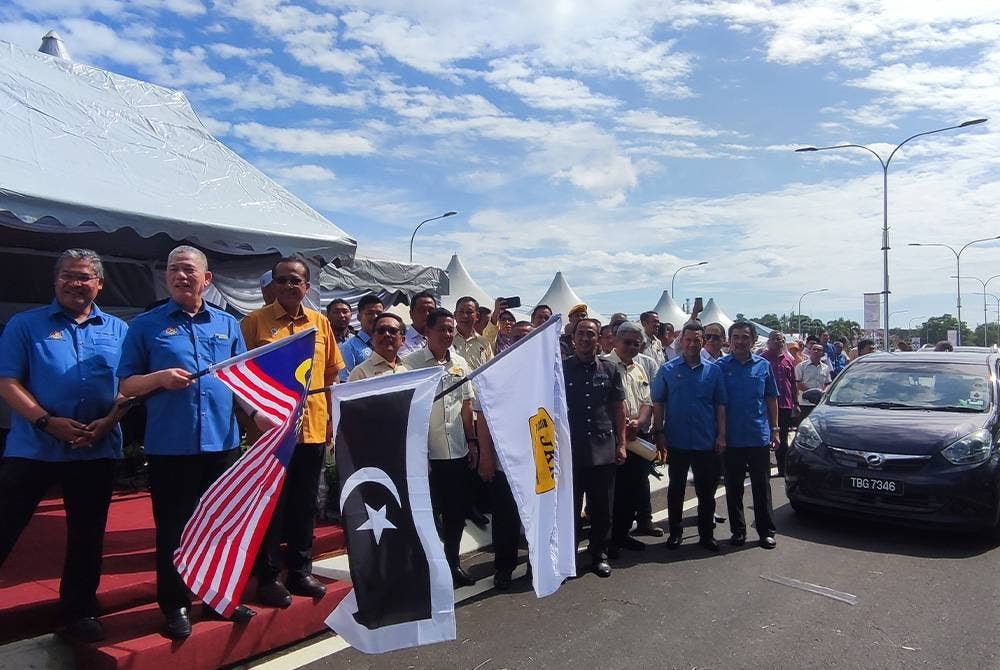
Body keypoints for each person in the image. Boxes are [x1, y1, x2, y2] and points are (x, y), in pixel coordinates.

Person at [119, 245, 268, 638]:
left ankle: (220, 597)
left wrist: (256, 414)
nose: (180, 276)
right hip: (171, 445)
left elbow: (239, 382)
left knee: (220, 525)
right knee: (174, 528)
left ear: (207, 279)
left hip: (222, 443)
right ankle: (175, 604)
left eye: (188, 270)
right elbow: (127, 384)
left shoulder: (226, 324)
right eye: (173, 270)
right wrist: (159, 379)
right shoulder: (145, 326)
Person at [0, 249, 129, 643]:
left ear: (99, 284)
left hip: (95, 449)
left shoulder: (119, 330)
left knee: (87, 537)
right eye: (68, 276)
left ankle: (78, 613)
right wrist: (45, 420)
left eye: (85, 277)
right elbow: (6, 381)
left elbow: (130, 386)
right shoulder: (25, 325)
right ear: (55, 280)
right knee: (4, 525)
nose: (76, 283)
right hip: (33, 447)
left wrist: (109, 422)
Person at [240, 257, 344, 609]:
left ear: (307, 286)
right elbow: (241, 380)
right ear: (272, 285)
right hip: (271, 434)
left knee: (303, 505)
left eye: (295, 281)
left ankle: (300, 570)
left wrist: (329, 420)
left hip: (311, 429)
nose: (288, 286)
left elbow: (331, 375)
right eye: (281, 280)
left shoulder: (320, 324)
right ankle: (268, 577)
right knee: (271, 506)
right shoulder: (253, 323)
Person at [402, 308, 477, 587]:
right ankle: (425, 568)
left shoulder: (460, 363)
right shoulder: (409, 364)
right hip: (424, 453)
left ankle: (452, 562)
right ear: (427, 332)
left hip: (456, 450)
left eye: (451, 330)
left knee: (455, 511)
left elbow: (467, 405)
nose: (447, 334)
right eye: (442, 329)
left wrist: (472, 442)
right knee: (425, 513)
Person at [652, 321, 727, 552]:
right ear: (681, 341)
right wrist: (659, 431)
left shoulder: (714, 371)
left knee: (706, 491)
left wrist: (722, 435)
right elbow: (658, 402)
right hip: (677, 440)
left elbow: (720, 405)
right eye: (688, 339)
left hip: (706, 440)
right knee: (676, 488)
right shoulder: (667, 369)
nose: (692, 344)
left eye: (697, 340)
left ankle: (706, 534)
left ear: (702, 341)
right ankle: (675, 532)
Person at [563, 318, 626, 577]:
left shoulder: (610, 369)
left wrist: (621, 443)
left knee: (602, 508)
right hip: (571, 450)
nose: (586, 339)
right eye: (581, 334)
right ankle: (569, 557)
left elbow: (618, 409)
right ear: (573, 338)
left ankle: (598, 553)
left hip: (603, 448)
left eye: (591, 334)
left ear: (599, 338)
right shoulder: (561, 369)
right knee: (570, 509)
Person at [716, 322, 779, 549]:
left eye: (744, 337)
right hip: (731, 438)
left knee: (762, 487)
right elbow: (718, 404)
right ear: (729, 340)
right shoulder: (720, 367)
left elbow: (771, 398)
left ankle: (766, 532)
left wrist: (775, 429)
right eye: (736, 337)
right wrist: (720, 435)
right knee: (733, 488)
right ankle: (738, 531)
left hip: (758, 436)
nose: (740, 341)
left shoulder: (763, 366)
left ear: (752, 341)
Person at [603, 322, 655, 559]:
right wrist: (623, 428)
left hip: (638, 435)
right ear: (615, 340)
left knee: (632, 491)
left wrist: (640, 422)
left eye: (637, 343)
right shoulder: (604, 365)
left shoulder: (639, 368)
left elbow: (647, 401)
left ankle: (623, 534)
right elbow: (604, 404)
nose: (632, 347)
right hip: (613, 437)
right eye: (627, 342)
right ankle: (606, 540)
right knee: (611, 494)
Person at [759, 330, 798, 477]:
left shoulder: (788, 360)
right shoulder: (762, 360)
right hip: (767, 405)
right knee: (766, 437)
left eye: (781, 339)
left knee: (782, 438)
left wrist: (795, 403)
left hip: (785, 404)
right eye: (775, 339)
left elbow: (793, 383)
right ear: (769, 341)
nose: (778, 342)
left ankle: (783, 469)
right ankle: (764, 470)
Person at [347, 313, 409, 380]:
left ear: (402, 340)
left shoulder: (407, 368)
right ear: (372, 339)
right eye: (381, 330)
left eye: (392, 331)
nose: (386, 334)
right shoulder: (360, 373)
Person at [339, 295, 384, 381]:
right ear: (359, 317)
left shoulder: (388, 343)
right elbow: (344, 381)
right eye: (369, 313)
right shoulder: (348, 347)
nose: (375, 317)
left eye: (379, 313)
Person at [453, 297, 494, 370]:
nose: (465, 316)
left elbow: (491, 369)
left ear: (477, 316)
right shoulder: (446, 339)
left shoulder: (484, 343)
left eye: (469, 312)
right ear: (455, 315)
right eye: (461, 312)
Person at [795, 343, 831, 420]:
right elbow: (798, 383)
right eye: (814, 349)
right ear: (810, 351)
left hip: (819, 403)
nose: (816, 351)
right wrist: (811, 393)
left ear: (822, 353)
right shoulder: (801, 366)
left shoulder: (826, 368)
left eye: (819, 350)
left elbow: (828, 383)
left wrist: (822, 393)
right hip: (804, 403)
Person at [400, 290, 437, 355]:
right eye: (421, 310)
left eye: (431, 310)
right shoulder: (401, 341)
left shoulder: (442, 337)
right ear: (411, 314)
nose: (427, 314)